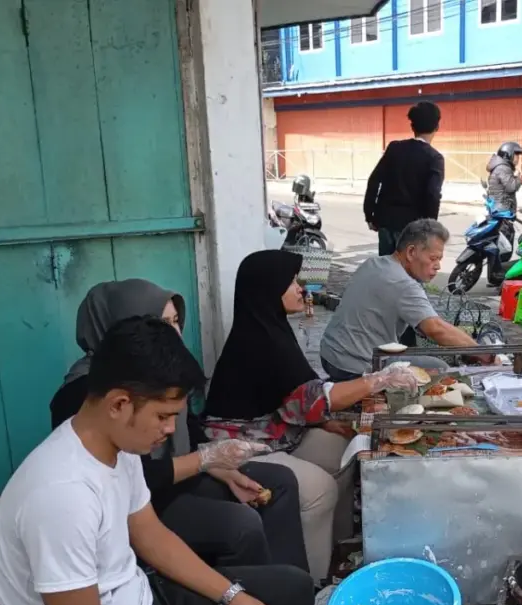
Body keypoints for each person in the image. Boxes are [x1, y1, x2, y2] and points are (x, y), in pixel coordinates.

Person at [0, 317, 313, 605]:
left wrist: (230, 595)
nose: (168, 430)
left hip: (140, 603)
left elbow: (149, 534)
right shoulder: (59, 493)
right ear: (120, 403)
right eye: (163, 417)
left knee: (293, 590)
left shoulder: (115, 450)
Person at [50, 279, 308, 572]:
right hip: (142, 503)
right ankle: (248, 603)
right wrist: (205, 460)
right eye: (160, 324)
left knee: (279, 482)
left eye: (175, 321)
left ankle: (287, 586)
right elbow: (134, 479)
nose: (172, 334)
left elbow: (192, 432)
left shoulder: (159, 372)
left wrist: (221, 469)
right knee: (240, 526)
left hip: (176, 481)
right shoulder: (87, 394)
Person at [204, 251, 420, 579]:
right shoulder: (259, 340)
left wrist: (325, 419)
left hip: (276, 432)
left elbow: (297, 395)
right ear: (267, 289)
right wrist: (379, 380)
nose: (300, 289)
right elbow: (316, 398)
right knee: (320, 490)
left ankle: (343, 552)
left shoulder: (271, 327)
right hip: (239, 447)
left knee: (350, 453)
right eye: (290, 282)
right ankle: (314, 581)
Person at [320, 219, 489, 382]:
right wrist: (485, 354)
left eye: (440, 259)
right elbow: (436, 330)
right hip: (354, 368)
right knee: (439, 368)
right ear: (411, 252)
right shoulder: (403, 283)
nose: (437, 266)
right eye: (433, 258)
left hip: (329, 355)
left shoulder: (373, 263)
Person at [364, 102, 445, 257]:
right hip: (413, 229)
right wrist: (429, 227)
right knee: (409, 274)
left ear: (412, 126)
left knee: (387, 269)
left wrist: (370, 214)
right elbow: (432, 195)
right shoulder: (434, 158)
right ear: (437, 127)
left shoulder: (394, 148)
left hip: (386, 222)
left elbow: (374, 180)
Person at [485, 141, 522, 284]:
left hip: (497, 211)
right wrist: (519, 177)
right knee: (504, 248)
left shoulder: (499, 166)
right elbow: (510, 187)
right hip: (502, 213)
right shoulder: (503, 168)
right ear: (508, 154)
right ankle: (497, 278)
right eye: (516, 155)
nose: (518, 159)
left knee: (498, 246)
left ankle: (494, 277)